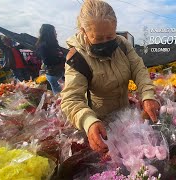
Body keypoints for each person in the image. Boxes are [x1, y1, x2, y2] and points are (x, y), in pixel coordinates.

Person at [61, 0, 160, 154]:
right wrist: (89, 122)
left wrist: (147, 95)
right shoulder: (77, 58)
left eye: (110, 36)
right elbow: (71, 99)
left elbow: (139, 69)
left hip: (126, 116)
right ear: (84, 32)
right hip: (101, 124)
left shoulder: (122, 45)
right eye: (98, 38)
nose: (105, 42)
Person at [36, 24, 65, 95]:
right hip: (54, 75)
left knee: (64, 94)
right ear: (50, 33)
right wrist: (60, 60)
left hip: (59, 73)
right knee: (60, 96)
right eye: (54, 31)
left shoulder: (54, 44)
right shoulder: (43, 45)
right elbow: (47, 61)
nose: (56, 33)